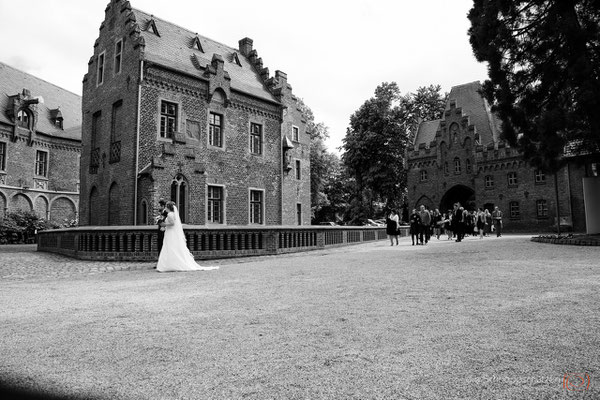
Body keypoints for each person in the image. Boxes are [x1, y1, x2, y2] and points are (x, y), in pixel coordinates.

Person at [157, 201, 219, 272]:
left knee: (170, 246)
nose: (165, 208)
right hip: (170, 232)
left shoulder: (170, 214)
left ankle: (169, 265)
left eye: (166, 207)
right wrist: (164, 226)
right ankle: (170, 264)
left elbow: (172, 223)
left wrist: (163, 225)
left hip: (171, 233)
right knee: (170, 246)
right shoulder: (172, 213)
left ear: (168, 207)